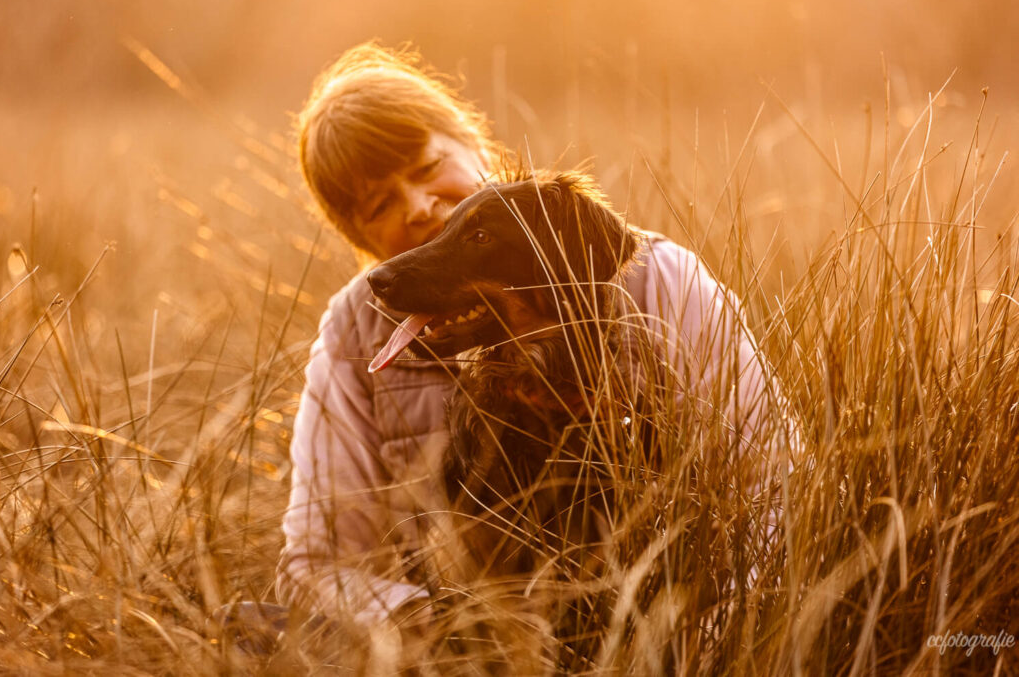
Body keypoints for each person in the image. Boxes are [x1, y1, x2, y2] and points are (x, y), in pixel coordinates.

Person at [276, 42, 798, 630]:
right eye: (380, 204)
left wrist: (710, 636)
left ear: (474, 142)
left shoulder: (662, 280)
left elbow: (777, 487)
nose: (420, 206)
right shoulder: (353, 334)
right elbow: (316, 565)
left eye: (426, 168)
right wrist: (446, 628)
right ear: (359, 235)